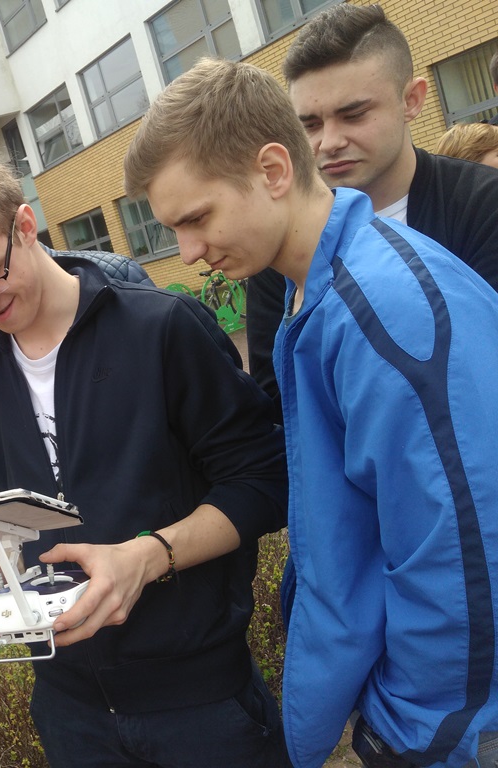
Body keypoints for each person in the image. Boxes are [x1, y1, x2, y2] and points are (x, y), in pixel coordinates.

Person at [0, 71, 289, 768]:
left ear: (25, 225)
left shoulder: (162, 330)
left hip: (199, 705)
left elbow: (266, 482)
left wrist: (149, 556)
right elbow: (35, 511)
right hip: (69, 711)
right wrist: (7, 567)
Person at [124, 55, 498, 768]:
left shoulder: (381, 309)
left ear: (272, 170)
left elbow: (465, 558)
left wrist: (410, 732)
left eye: (197, 218)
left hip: (446, 728)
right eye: (173, 229)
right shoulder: (319, 291)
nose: (188, 252)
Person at [245, 3, 498, 419]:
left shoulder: (483, 204)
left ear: (411, 100)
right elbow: (280, 398)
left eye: (354, 115)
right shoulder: (280, 247)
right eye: (310, 125)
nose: (329, 142)